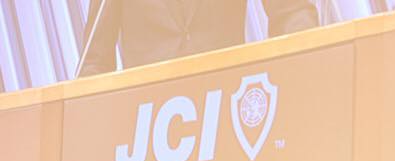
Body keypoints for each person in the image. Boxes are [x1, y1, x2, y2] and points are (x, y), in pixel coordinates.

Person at [79, 0, 319, 76]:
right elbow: (94, 62)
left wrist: (309, 58)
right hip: (146, 130)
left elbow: (292, 11)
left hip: (228, 107)